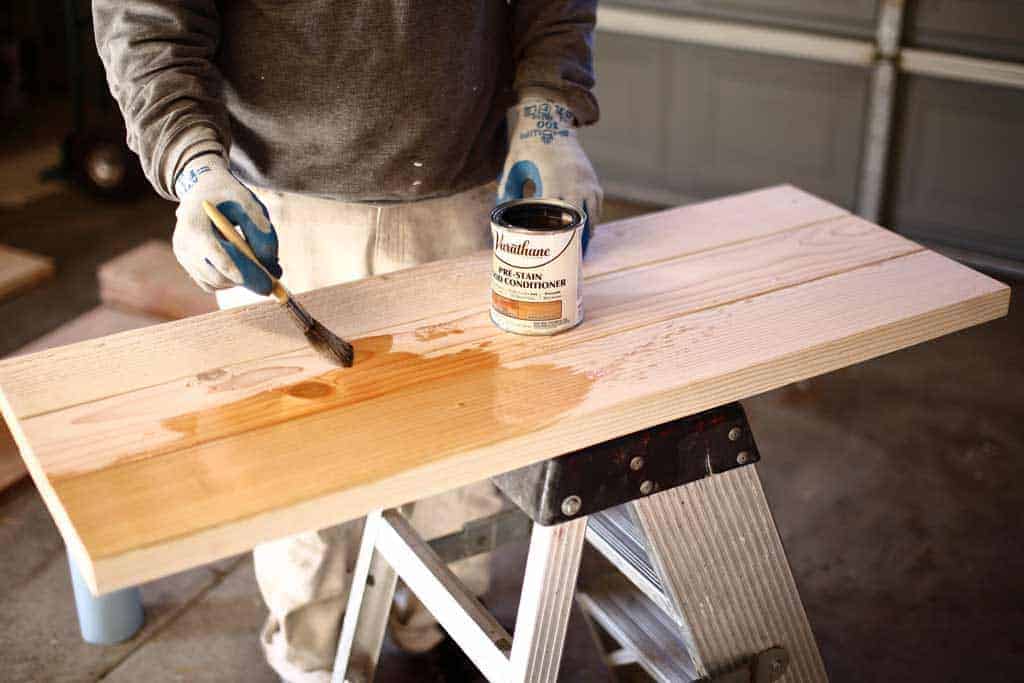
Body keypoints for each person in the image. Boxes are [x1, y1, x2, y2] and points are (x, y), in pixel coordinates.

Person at [93, 2, 601, 680]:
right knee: (300, 477)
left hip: (469, 193)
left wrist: (549, 117)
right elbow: (147, 21)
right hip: (279, 210)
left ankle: (435, 625)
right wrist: (192, 164)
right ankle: (314, 653)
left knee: (468, 457)